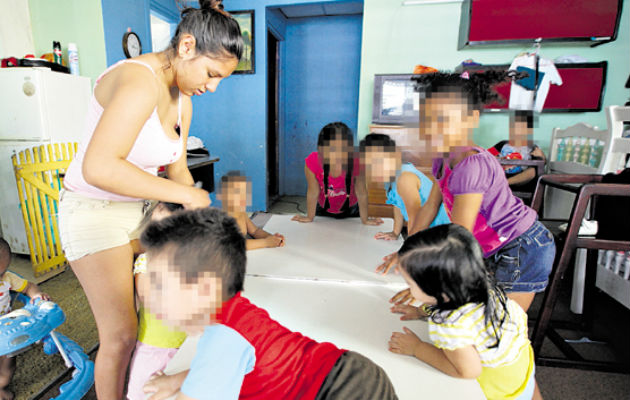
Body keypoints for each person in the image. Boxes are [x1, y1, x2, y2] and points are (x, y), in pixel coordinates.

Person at [57, 1, 242, 397]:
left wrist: (198, 213)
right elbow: (99, 167)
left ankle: (139, 385)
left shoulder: (183, 101)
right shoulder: (138, 80)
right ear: (187, 46)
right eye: (212, 74)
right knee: (120, 334)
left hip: (139, 212)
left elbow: (178, 170)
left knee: (159, 307)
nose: (212, 87)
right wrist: (184, 195)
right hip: (93, 212)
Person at [138, 208, 397, 400]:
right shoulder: (233, 311)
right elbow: (218, 366)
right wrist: (175, 381)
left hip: (341, 390)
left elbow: (215, 366)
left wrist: (181, 386)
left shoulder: (223, 336)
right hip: (349, 372)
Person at [381, 71, 555, 313]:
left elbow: (459, 236)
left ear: (472, 118)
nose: (432, 129)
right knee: (475, 307)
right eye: (426, 119)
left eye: (442, 119)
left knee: (503, 321)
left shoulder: (471, 166)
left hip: (520, 244)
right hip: (488, 246)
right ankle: (432, 315)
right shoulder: (442, 159)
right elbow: (429, 208)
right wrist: (406, 251)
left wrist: (423, 285)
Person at [388, 225, 540, 400]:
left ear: (437, 290)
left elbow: (468, 371)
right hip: (522, 366)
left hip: (499, 387)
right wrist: (421, 311)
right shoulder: (481, 285)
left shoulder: (449, 324)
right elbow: (452, 304)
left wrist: (417, 348)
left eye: (410, 283)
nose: (408, 288)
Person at [127, 203, 188, 400]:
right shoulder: (147, 261)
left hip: (186, 343)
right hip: (155, 346)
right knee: (143, 392)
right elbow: (148, 297)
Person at [360, 133, 450, 241]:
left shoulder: (405, 178)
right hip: (427, 231)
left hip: (443, 234)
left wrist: (409, 247)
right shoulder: (390, 178)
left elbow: (415, 218)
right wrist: (395, 233)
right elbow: (398, 205)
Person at [292, 122, 382, 226]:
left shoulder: (357, 162)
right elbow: (313, 191)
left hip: (351, 209)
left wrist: (365, 220)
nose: (339, 154)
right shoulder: (313, 162)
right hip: (323, 209)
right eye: (332, 149)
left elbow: (361, 192)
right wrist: (309, 217)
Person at [0, 238, 50, 400]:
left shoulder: (8, 278)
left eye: (1, 273)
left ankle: (2, 384)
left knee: (8, 362)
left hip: (7, 328)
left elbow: (28, 286)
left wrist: (36, 295)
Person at [219, 172, 285, 250]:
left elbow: (255, 231)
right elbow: (236, 244)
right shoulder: (225, 219)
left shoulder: (241, 213)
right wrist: (266, 242)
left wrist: (271, 238)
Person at [488, 110, 546, 190]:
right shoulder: (502, 144)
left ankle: (503, 183)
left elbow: (541, 164)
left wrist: (542, 156)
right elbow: (485, 155)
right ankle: (499, 183)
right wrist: (496, 158)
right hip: (500, 176)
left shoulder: (532, 148)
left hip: (519, 181)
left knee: (533, 171)